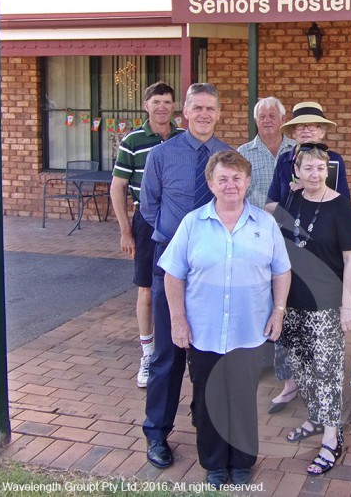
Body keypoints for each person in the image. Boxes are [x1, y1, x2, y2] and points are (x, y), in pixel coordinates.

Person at [159, 150, 291, 488]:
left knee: (243, 397)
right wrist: (178, 320)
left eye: (236, 178)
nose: (230, 184)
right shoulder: (193, 223)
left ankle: (242, 461)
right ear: (211, 183)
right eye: (223, 179)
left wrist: (279, 311)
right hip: (203, 331)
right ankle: (215, 464)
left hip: (249, 330)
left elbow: (282, 271)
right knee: (207, 399)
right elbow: (173, 275)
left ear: (247, 182)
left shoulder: (265, 224)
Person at [139, 83, 233, 470]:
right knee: (168, 354)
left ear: (218, 112)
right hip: (172, 266)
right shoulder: (162, 156)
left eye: (211, 108)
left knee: (208, 350)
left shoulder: (228, 157)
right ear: (185, 113)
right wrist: (178, 241)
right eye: (197, 108)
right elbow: (148, 207)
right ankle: (157, 433)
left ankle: (202, 416)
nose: (204, 114)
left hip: (213, 270)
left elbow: (234, 204)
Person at [273, 143, 351, 475]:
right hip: (292, 300)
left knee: (327, 372)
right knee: (303, 368)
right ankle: (315, 417)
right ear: (297, 171)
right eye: (308, 168)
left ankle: (331, 437)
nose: (314, 174)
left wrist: (347, 305)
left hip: (326, 302)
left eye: (321, 168)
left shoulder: (341, 207)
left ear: (329, 171)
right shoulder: (291, 199)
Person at [264, 101, 350, 414]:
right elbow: (270, 206)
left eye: (313, 125)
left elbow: (341, 207)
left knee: (319, 322)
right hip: (291, 254)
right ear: (294, 132)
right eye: (301, 127)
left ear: (323, 129)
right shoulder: (286, 160)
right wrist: (295, 197)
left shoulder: (335, 161)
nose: (308, 130)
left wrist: (313, 192)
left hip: (323, 255)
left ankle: (319, 385)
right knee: (288, 320)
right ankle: (290, 385)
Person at [110, 81, 183, 389]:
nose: (162, 107)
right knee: (147, 290)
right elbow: (117, 187)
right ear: (146, 105)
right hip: (147, 220)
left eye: (167, 101)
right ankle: (148, 353)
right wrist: (126, 229)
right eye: (156, 102)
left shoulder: (185, 138)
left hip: (181, 221)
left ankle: (181, 348)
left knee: (183, 286)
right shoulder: (133, 141)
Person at [238, 97, 295, 208]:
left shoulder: (297, 149)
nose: (267, 120)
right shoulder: (242, 153)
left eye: (272, 116)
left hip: (291, 221)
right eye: (262, 117)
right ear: (256, 121)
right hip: (255, 222)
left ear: (283, 119)